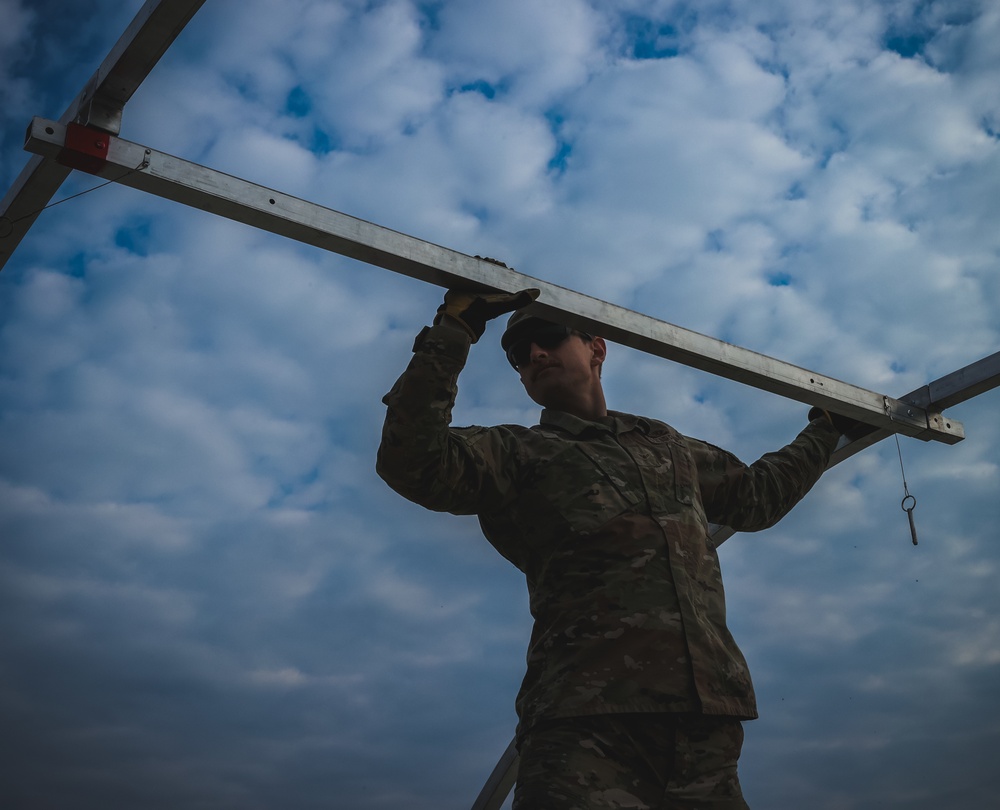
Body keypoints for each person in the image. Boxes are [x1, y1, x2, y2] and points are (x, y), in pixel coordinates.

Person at [376, 288, 849, 809]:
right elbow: (413, 461)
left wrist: (825, 432)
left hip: (706, 726)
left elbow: (758, 497)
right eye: (518, 353)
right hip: (586, 728)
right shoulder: (517, 452)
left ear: (597, 349)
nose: (533, 355)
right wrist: (454, 331)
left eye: (549, 339)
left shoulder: (669, 447)